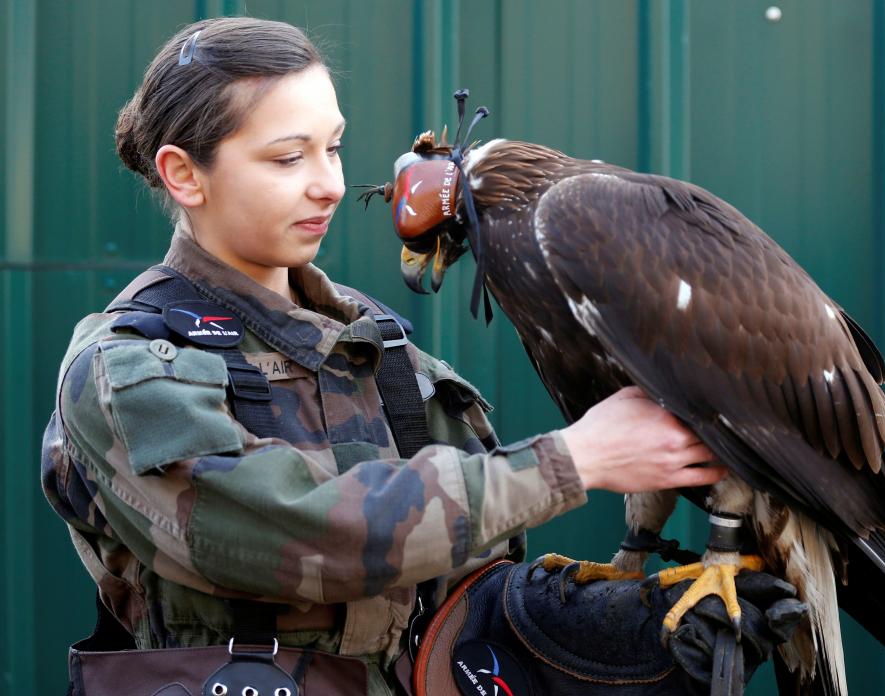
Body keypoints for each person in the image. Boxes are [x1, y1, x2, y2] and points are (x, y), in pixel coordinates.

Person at [41, 16, 771, 696]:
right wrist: (572, 462)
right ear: (184, 174)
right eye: (288, 156)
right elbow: (284, 537)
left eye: (333, 146)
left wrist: (615, 613)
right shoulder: (131, 367)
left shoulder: (381, 350)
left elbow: (455, 578)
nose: (328, 182)